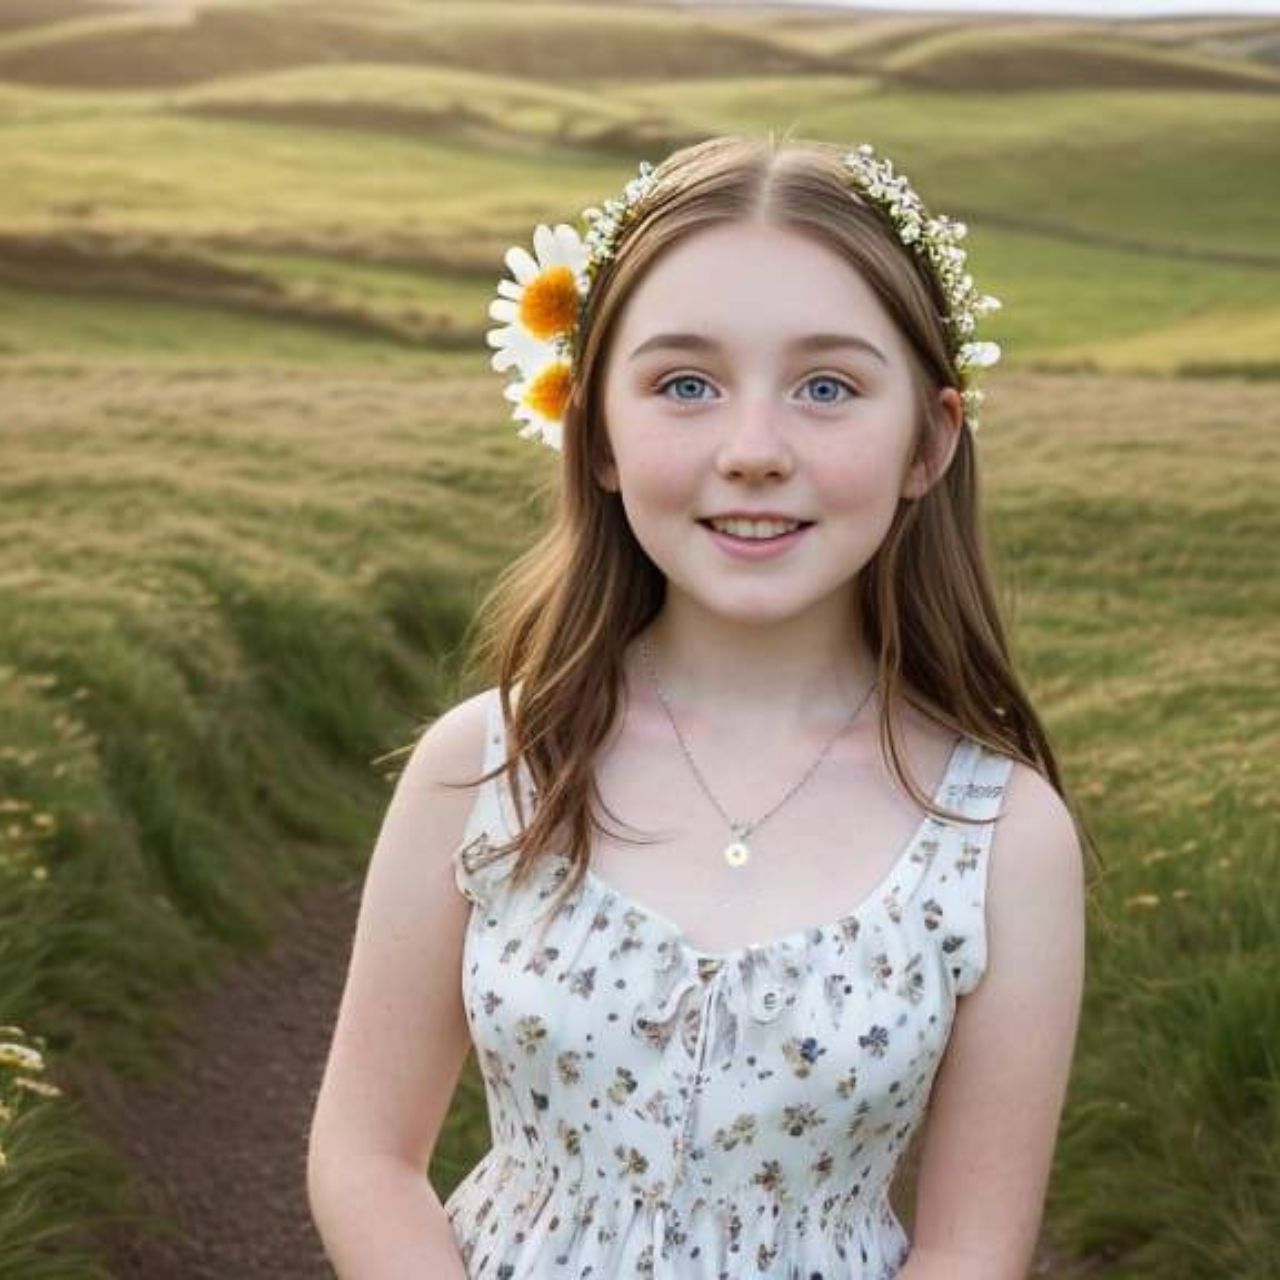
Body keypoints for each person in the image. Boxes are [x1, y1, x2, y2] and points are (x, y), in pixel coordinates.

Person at [307, 135, 1091, 1280]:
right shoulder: (484, 762)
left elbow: (971, 1246)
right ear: (595, 429)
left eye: (825, 387)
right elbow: (365, 1154)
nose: (752, 451)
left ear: (927, 440)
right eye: (685, 384)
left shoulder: (1001, 835)